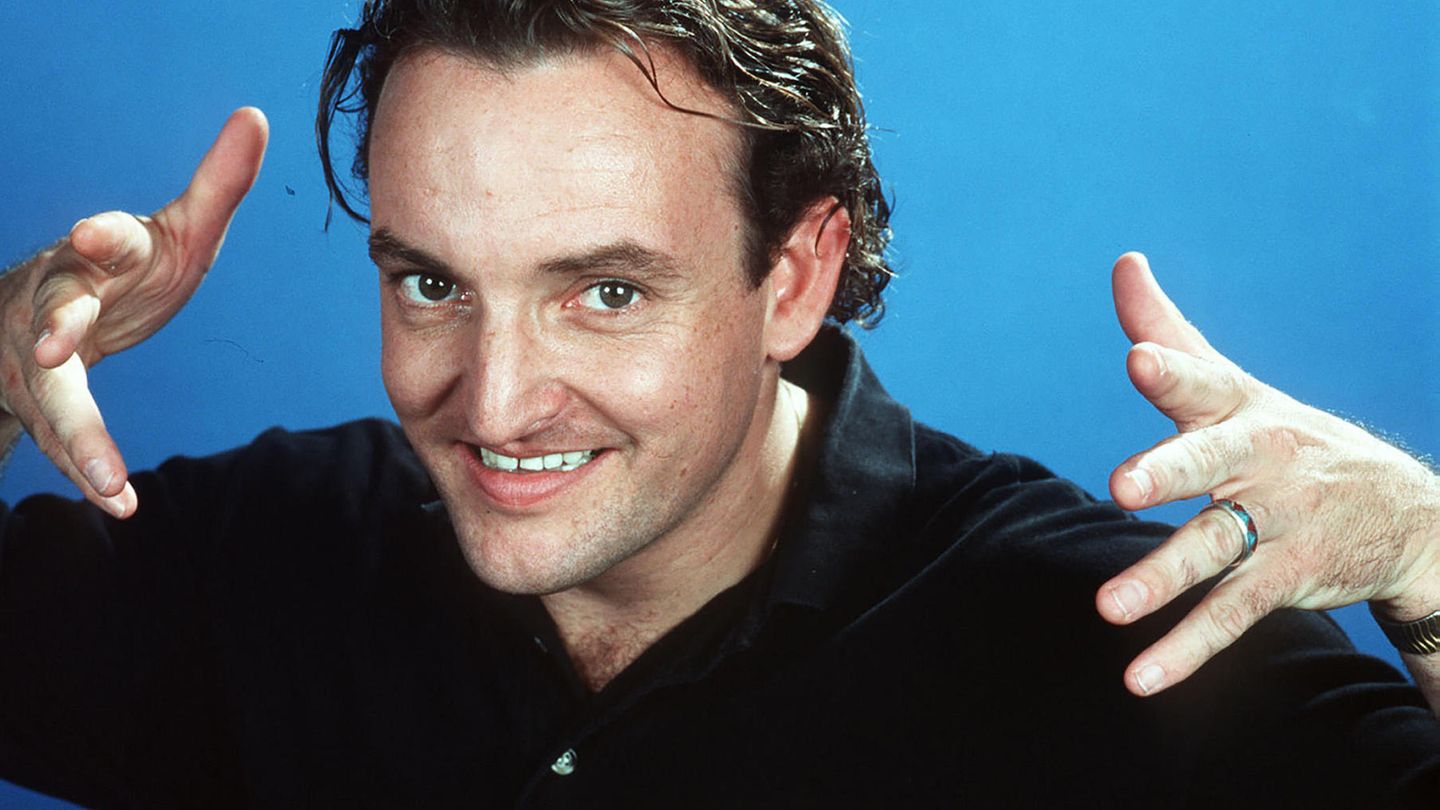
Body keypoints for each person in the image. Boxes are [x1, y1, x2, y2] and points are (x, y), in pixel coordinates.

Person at [1, 1, 1437, 807]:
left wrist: (1429, 563)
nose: (494, 401)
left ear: (795, 277)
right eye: (431, 283)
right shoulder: (277, 544)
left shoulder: (1100, 638)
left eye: (604, 291)